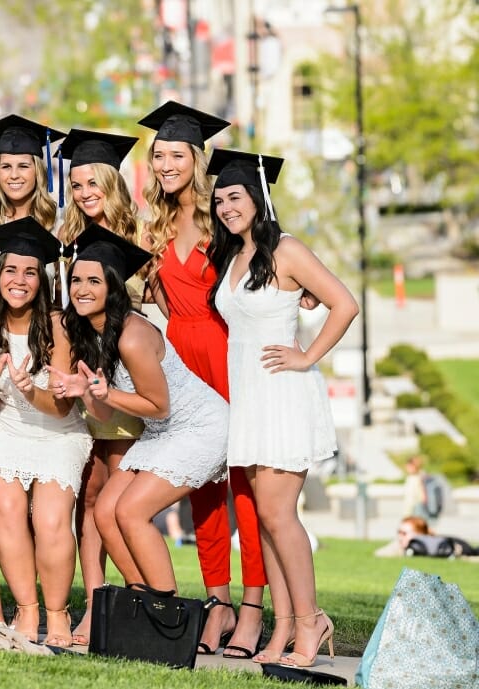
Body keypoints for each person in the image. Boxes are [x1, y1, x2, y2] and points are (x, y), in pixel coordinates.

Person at [209, 149, 359, 668]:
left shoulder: (287, 250)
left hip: (282, 392)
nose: (228, 206)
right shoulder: (231, 257)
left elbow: (344, 302)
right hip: (249, 397)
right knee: (267, 521)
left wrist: (307, 356)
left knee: (277, 514)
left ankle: (311, 619)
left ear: (259, 198)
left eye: (236, 196)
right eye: (221, 199)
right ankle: (284, 628)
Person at [137, 101, 268, 658]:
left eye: (175, 155)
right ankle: (217, 602)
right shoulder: (155, 226)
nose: (165, 165)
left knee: (246, 487)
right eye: (158, 156)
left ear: (196, 156)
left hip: (229, 353)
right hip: (183, 359)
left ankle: (255, 606)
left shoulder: (225, 213)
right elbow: (152, 295)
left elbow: (271, 262)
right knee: (203, 493)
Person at [51, 225, 228, 598]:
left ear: (113, 288)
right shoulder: (90, 333)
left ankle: (167, 610)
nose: (81, 289)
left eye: (94, 281)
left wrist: (104, 392)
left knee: (130, 511)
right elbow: (102, 414)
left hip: (198, 427)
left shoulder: (132, 335)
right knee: (104, 513)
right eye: (76, 280)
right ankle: (142, 598)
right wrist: (84, 393)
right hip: (162, 432)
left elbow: (159, 406)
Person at [0, 115, 65, 624]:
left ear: (37, 169)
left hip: (44, 364)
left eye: (24, 165)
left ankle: (48, 602)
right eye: (6, 166)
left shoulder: (58, 228)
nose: (15, 174)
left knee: (44, 502)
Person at [0, 218, 91, 647]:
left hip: (56, 431)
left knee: (51, 518)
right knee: (4, 504)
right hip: (3, 426)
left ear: (42, 279)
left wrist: (28, 388)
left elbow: (61, 408)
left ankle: (57, 613)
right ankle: (27, 610)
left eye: (29, 272)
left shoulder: (58, 325)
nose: (18, 281)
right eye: (10, 270)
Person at [55, 128, 144, 646]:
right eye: (78, 183)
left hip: (127, 389)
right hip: (81, 385)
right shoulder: (67, 243)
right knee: (88, 499)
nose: (86, 191)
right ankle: (94, 606)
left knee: (115, 495)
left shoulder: (143, 239)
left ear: (112, 182)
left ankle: (131, 601)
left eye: (95, 181)